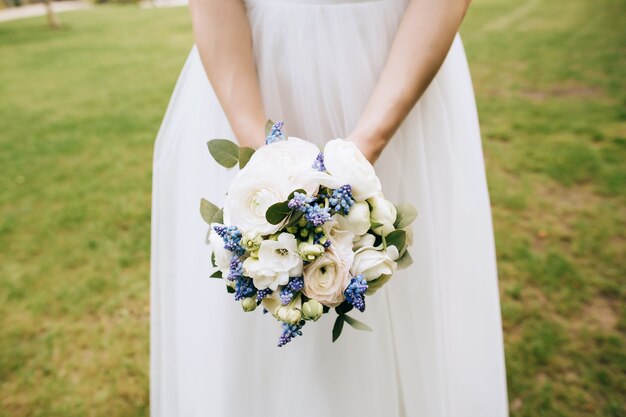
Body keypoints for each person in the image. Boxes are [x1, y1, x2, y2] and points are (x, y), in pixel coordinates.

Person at [150, 0, 509, 415]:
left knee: (410, 289)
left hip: (399, 60)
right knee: (263, 296)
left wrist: (362, 149)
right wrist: (269, 164)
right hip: (260, 71)